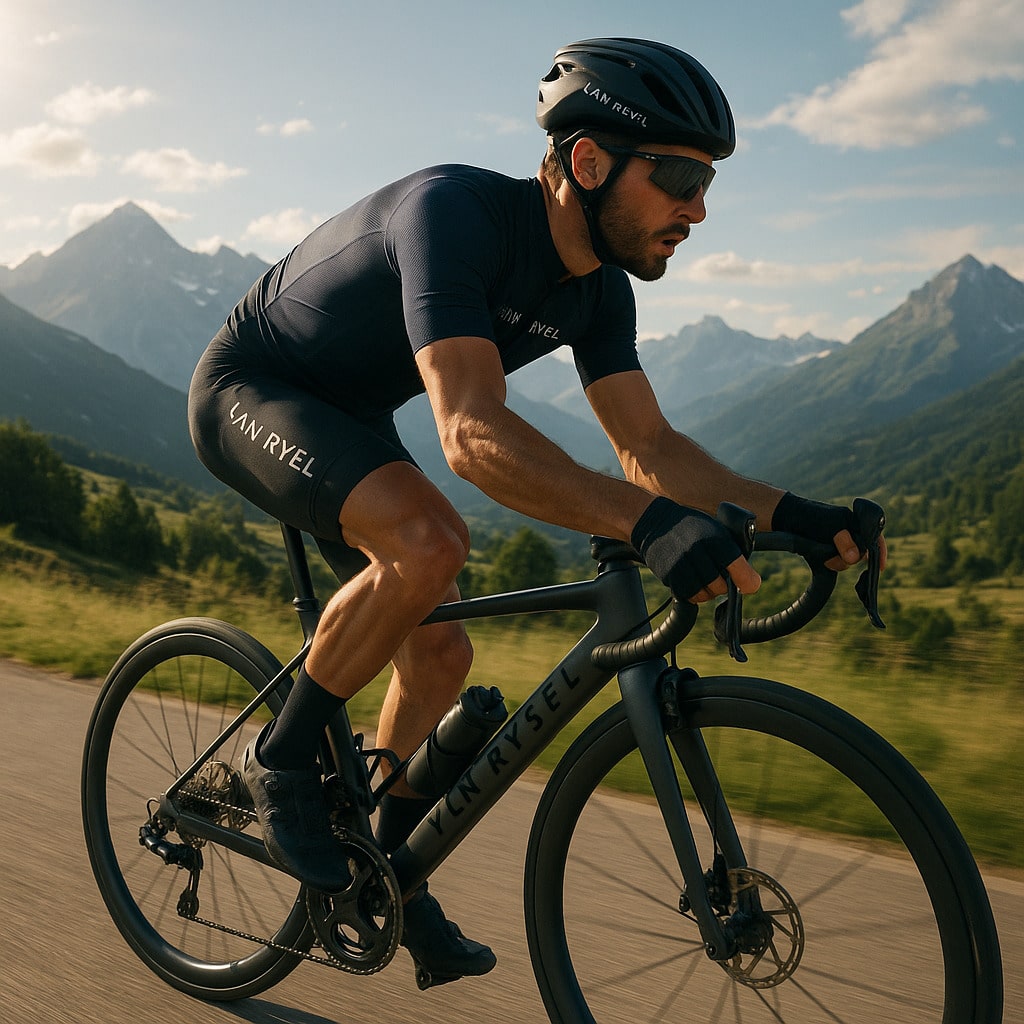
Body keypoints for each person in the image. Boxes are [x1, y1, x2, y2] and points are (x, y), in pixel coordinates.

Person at [188, 37, 885, 986]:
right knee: (430, 543)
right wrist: (646, 524)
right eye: (678, 173)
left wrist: (795, 515)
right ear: (587, 163)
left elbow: (652, 447)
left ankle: (382, 864)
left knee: (440, 651)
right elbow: (470, 433)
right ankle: (285, 757)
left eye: (709, 179)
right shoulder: (455, 215)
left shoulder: (598, 289)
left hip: (347, 416)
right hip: (251, 390)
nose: (699, 206)